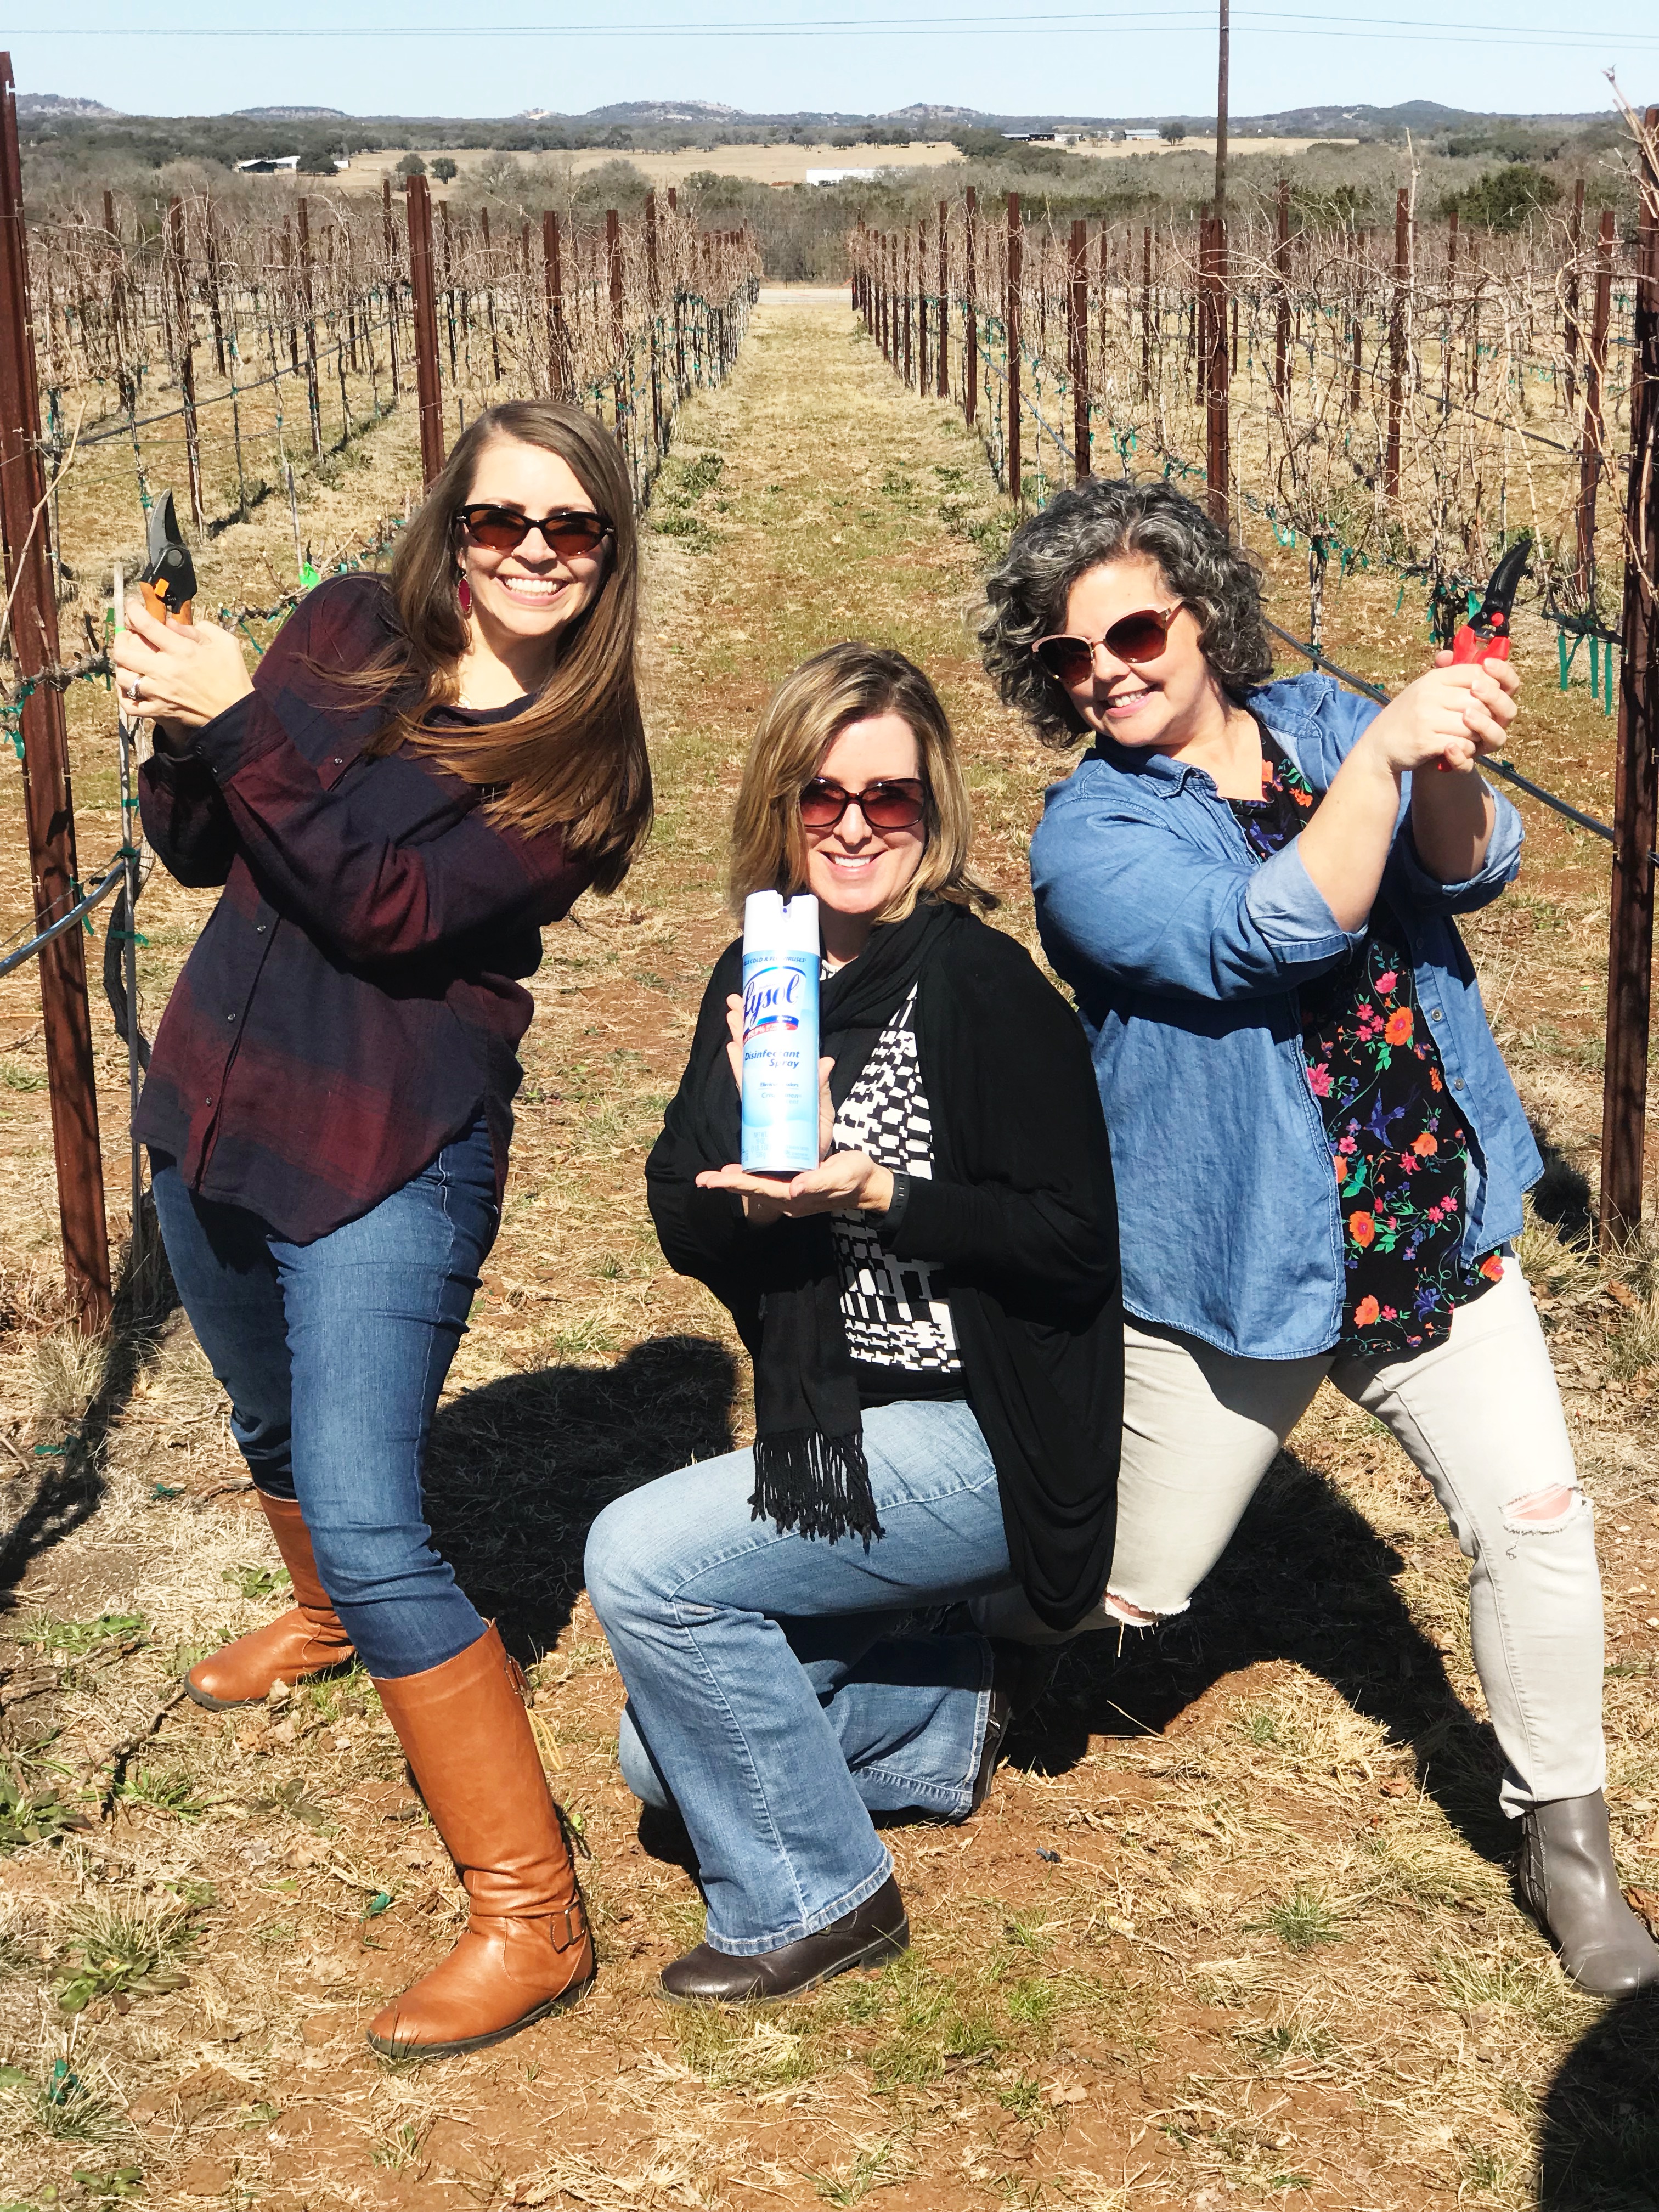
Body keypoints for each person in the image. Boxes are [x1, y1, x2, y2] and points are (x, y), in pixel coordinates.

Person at [977, 474, 1658, 1996]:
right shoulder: (1090, 834)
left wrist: (1444, 755)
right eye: (1071, 656)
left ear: (1203, 615)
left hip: (1425, 1218)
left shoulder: (1322, 719)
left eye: (1134, 633)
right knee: (1131, 1585)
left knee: (1538, 1520)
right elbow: (1268, 933)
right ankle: (961, 1663)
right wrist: (1387, 758)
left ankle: (1569, 1845)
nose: (1108, 673)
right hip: (1242, 1255)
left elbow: (1471, 866)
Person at [110, 399, 652, 2056]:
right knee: (265, 1411)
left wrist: (239, 718)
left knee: (370, 1515)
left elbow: (386, 904)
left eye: (571, 528)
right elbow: (206, 850)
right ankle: (330, 1623)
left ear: (610, 551)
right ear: (451, 526)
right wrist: (175, 727)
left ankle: (532, 1916)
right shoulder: (347, 624)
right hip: (217, 1093)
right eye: (501, 520)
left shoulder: (585, 771)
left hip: (385, 1141)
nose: (534, 553)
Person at [584, 643, 1121, 2002]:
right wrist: (756, 1177)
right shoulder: (758, 975)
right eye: (824, 796)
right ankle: (960, 1707)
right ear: (782, 806)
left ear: (932, 813)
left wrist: (884, 1193)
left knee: (639, 1562)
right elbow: (684, 1212)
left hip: (990, 1440)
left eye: (891, 797)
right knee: (660, 1758)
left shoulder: (985, 992)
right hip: (848, 1429)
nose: (856, 826)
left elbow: (1076, 1246)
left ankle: (818, 1899)